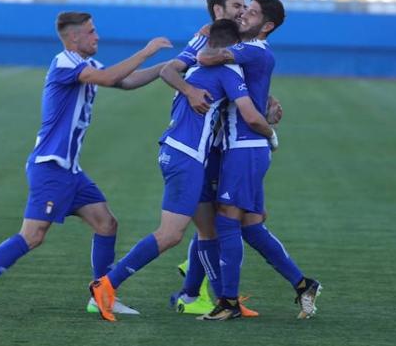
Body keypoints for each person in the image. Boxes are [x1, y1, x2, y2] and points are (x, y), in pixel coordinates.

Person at [0, 11, 172, 319]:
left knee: (106, 224)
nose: (97, 37)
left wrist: (169, 66)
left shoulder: (86, 65)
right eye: (92, 32)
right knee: (32, 235)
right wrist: (147, 51)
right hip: (50, 167)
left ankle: (102, 295)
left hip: (70, 170)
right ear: (74, 38)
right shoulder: (66, 62)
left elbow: (127, 81)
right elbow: (110, 78)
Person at [89, 18, 278, 322]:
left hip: (173, 151)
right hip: (188, 156)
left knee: (208, 230)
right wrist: (270, 129)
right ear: (232, 47)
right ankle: (107, 284)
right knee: (170, 234)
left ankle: (224, 301)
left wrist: (267, 102)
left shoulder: (193, 69)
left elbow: (172, 72)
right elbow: (248, 114)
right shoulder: (228, 69)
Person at [196, 0, 322, 320]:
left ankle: (227, 302)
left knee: (226, 218)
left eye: (251, 14)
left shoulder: (250, 49)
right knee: (251, 227)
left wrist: (205, 36)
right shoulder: (254, 51)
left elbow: (209, 58)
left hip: (244, 147)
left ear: (266, 26)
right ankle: (303, 283)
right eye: (244, 11)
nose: (243, 16)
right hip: (245, 149)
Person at [159, 0, 259, 317]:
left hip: (218, 146)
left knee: (214, 226)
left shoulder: (239, 45)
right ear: (218, 10)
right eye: (236, 5)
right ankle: (204, 294)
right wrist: (189, 90)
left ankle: (196, 289)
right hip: (204, 146)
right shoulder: (205, 40)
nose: (242, 11)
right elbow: (172, 68)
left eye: (245, 6)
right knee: (211, 227)